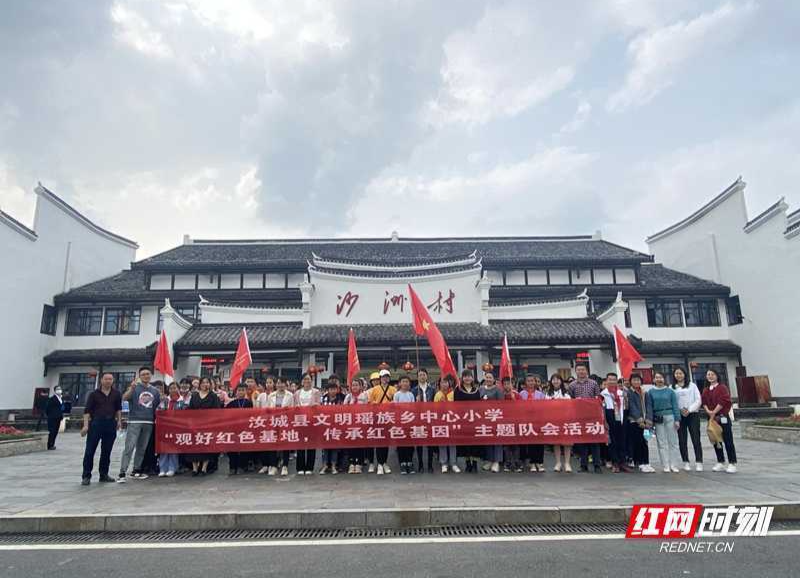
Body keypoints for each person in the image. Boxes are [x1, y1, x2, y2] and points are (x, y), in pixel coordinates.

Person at [118, 367, 161, 482]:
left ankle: (136, 470)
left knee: (142, 448)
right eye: (143, 374)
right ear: (139, 376)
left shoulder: (155, 391)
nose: (146, 376)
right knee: (129, 447)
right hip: (135, 421)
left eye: (148, 374)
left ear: (151, 375)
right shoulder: (134, 387)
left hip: (149, 422)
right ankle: (122, 472)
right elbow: (124, 398)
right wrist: (131, 389)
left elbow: (156, 405)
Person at [80, 372, 123, 484]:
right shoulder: (93, 394)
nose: (108, 381)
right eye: (106, 379)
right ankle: (86, 476)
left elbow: (118, 409)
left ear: (113, 381)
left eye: (110, 379)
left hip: (110, 424)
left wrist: (119, 421)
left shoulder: (116, 394)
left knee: (106, 451)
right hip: (96, 424)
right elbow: (87, 411)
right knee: (90, 451)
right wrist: (85, 426)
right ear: (101, 380)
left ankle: (103, 474)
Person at [701, 369, 738, 473]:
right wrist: (709, 411)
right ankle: (720, 461)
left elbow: (724, 401)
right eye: (708, 374)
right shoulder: (706, 390)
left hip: (722, 417)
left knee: (728, 440)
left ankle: (732, 463)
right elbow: (703, 402)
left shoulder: (722, 388)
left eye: (712, 374)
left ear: (717, 376)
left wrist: (714, 412)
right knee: (716, 440)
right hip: (712, 418)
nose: (710, 376)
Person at [569, 364, 603, 473]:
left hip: (593, 416)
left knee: (594, 441)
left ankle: (597, 465)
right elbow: (570, 400)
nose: (581, 371)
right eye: (579, 370)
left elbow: (598, 398)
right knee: (582, 441)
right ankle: (583, 465)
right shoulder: (572, 385)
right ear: (576, 371)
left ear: (586, 371)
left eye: (583, 369)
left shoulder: (593, 383)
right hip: (579, 416)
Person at [647, 372, 681, 473]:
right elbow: (649, 407)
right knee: (661, 442)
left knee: (673, 442)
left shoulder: (670, 391)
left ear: (664, 379)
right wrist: (650, 419)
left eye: (661, 377)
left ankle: (674, 464)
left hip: (670, 416)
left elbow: (675, 405)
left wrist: (677, 419)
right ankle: (665, 465)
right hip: (658, 417)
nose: (659, 379)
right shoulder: (650, 392)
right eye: (657, 377)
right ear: (654, 379)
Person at [187, 376, 221, 476]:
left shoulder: (213, 396)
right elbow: (190, 409)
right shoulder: (194, 396)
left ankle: (204, 468)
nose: (205, 384)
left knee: (206, 446)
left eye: (207, 382)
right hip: (195, 424)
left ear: (210, 384)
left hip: (208, 425)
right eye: (203, 382)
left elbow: (217, 411)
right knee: (194, 446)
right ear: (200, 384)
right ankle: (195, 468)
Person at [672, 367, 703, 472]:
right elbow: (672, 402)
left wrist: (689, 410)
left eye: (680, 373)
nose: (678, 375)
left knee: (696, 438)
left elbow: (698, 400)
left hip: (692, 414)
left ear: (684, 374)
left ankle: (699, 462)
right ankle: (685, 461)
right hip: (679, 415)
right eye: (676, 373)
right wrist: (679, 410)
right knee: (682, 440)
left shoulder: (692, 386)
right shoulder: (672, 387)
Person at [367, 369, 396, 475]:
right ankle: (379, 463)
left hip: (388, 418)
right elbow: (370, 402)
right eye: (383, 377)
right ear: (380, 378)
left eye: (387, 376)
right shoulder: (375, 389)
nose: (385, 378)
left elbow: (396, 402)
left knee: (386, 441)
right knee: (378, 440)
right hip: (377, 418)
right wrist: (374, 404)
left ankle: (384, 462)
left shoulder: (393, 389)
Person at [265, 377, 294, 476]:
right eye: (278, 383)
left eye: (282, 383)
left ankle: (285, 466)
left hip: (285, 422)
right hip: (273, 422)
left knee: (285, 444)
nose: (280, 385)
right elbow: (268, 408)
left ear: (285, 385)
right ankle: (273, 466)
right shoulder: (271, 395)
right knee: (273, 444)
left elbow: (292, 409)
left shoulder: (290, 395)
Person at [157, 381, 186, 477]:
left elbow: (185, 414)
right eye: (171, 388)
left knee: (173, 449)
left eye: (175, 388)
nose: (173, 390)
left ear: (178, 389)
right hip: (165, 427)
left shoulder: (182, 401)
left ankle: (172, 468)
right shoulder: (165, 400)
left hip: (176, 427)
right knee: (164, 448)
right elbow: (159, 410)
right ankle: (162, 468)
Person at [544, 374, 573, 473]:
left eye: (557, 379)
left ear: (561, 381)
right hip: (553, 420)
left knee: (567, 442)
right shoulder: (548, 394)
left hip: (565, 420)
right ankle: (558, 463)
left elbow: (570, 407)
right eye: (553, 379)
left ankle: (567, 463)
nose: (555, 381)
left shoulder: (566, 394)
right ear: (551, 382)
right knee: (556, 442)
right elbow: (545, 407)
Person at [454, 369, 481, 472]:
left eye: (469, 376)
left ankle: (475, 463)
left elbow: (479, 405)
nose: (467, 378)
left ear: (472, 378)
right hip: (463, 420)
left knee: (475, 442)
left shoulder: (476, 390)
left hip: (475, 419)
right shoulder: (458, 390)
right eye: (465, 376)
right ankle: (467, 463)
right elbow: (456, 405)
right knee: (466, 441)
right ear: (462, 378)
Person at [626, 374, 654, 473]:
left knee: (645, 442)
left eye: (638, 380)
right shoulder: (629, 392)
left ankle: (647, 462)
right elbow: (632, 406)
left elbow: (649, 405)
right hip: (635, 422)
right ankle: (640, 463)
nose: (636, 382)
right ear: (631, 381)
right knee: (637, 442)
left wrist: (649, 419)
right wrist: (639, 419)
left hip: (646, 422)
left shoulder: (645, 392)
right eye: (634, 380)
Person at [601, 373, 628, 473]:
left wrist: (626, 399)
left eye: (614, 380)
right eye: (610, 379)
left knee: (622, 441)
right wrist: (605, 421)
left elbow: (626, 407)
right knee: (612, 442)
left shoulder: (621, 393)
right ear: (607, 381)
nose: (612, 381)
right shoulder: (603, 394)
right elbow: (602, 409)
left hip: (620, 418)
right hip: (610, 416)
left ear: (617, 381)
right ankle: (615, 462)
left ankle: (622, 462)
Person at [294, 372, 320, 475]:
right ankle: (300, 467)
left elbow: (319, 404)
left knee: (311, 444)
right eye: (305, 379)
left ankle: (309, 467)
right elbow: (294, 405)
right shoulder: (297, 393)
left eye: (308, 379)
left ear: (311, 381)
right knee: (300, 444)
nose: (307, 381)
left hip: (311, 420)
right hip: (300, 420)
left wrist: (315, 405)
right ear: (302, 381)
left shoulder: (316, 392)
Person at [225, 383, 254, 475]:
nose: (241, 392)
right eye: (239, 390)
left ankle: (242, 466)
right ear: (236, 392)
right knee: (232, 448)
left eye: (243, 390)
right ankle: (232, 467)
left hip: (245, 428)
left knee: (244, 448)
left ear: (246, 391)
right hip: (233, 429)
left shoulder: (249, 403)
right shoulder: (231, 404)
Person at [412, 368, 437, 473]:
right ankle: (421, 464)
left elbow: (435, 403)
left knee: (430, 443)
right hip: (419, 419)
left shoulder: (432, 389)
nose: (422, 377)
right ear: (417, 377)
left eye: (423, 374)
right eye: (420, 375)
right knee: (419, 442)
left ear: (427, 376)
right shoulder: (414, 390)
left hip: (430, 418)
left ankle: (430, 465)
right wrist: (416, 402)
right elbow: (410, 406)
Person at [520, 373, 546, 472]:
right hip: (526, 421)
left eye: (532, 381)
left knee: (539, 442)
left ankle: (539, 462)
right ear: (525, 383)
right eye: (528, 381)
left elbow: (544, 407)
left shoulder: (540, 394)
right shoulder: (521, 394)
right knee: (530, 443)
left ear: (535, 382)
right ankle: (532, 463)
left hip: (538, 421)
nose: (530, 382)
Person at [479, 371, 504, 473]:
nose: (488, 379)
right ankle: (489, 460)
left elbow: (501, 404)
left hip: (495, 418)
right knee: (488, 440)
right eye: (487, 377)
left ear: (493, 379)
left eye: (490, 377)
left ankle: (496, 461)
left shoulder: (498, 390)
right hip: (485, 419)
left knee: (497, 440)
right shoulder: (481, 389)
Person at [320, 378, 345, 475]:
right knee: (325, 447)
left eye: (334, 389)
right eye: (331, 389)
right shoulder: (323, 399)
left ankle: (334, 466)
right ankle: (325, 465)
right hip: (325, 426)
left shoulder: (340, 400)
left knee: (335, 447)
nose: (332, 391)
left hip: (336, 426)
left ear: (337, 390)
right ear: (328, 390)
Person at [435, 375, 460, 473]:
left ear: (449, 383)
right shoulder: (437, 395)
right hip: (441, 421)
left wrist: (447, 403)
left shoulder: (453, 393)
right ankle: (444, 463)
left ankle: (453, 463)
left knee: (452, 443)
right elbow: (434, 409)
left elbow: (457, 407)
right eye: (442, 382)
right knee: (442, 443)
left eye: (446, 382)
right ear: (439, 384)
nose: (444, 384)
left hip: (452, 421)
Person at [344, 377, 368, 473]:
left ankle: (359, 463)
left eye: (356, 385)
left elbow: (368, 408)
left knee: (360, 444)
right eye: (353, 385)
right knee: (351, 444)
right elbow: (343, 409)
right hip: (350, 423)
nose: (354, 387)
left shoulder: (364, 396)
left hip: (361, 423)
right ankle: (351, 463)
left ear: (361, 386)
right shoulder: (348, 397)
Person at [393, 375, 417, 475]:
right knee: (401, 443)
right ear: (399, 383)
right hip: (400, 422)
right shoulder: (397, 395)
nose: (405, 383)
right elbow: (395, 407)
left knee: (410, 443)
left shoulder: (411, 394)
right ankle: (402, 463)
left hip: (409, 421)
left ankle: (409, 462)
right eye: (403, 381)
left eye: (407, 381)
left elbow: (413, 408)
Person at [501, 377, 523, 473]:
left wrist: (514, 400)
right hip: (505, 422)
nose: (507, 386)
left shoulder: (517, 395)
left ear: (512, 384)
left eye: (509, 383)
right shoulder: (501, 395)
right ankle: (508, 463)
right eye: (505, 384)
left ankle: (517, 463)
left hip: (515, 422)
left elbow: (522, 407)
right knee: (506, 445)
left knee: (516, 445)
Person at [364, 371, 382, 472]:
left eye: (377, 380)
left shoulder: (382, 389)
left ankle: (381, 462)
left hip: (381, 418)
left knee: (380, 442)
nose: (376, 382)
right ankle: (371, 463)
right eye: (374, 380)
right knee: (370, 442)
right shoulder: (367, 392)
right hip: (370, 418)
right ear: (371, 382)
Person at [45, 385, 65, 450]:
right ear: (55, 391)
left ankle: (52, 444)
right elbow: (47, 408)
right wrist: (50, 415)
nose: (59, 390)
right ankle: (49, 445)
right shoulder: (52, 399)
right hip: (52, 418)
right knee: (52, 431)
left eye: (60, 389)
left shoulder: (61, 398)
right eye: (57, 389)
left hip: (58, 418)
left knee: (55, 431)